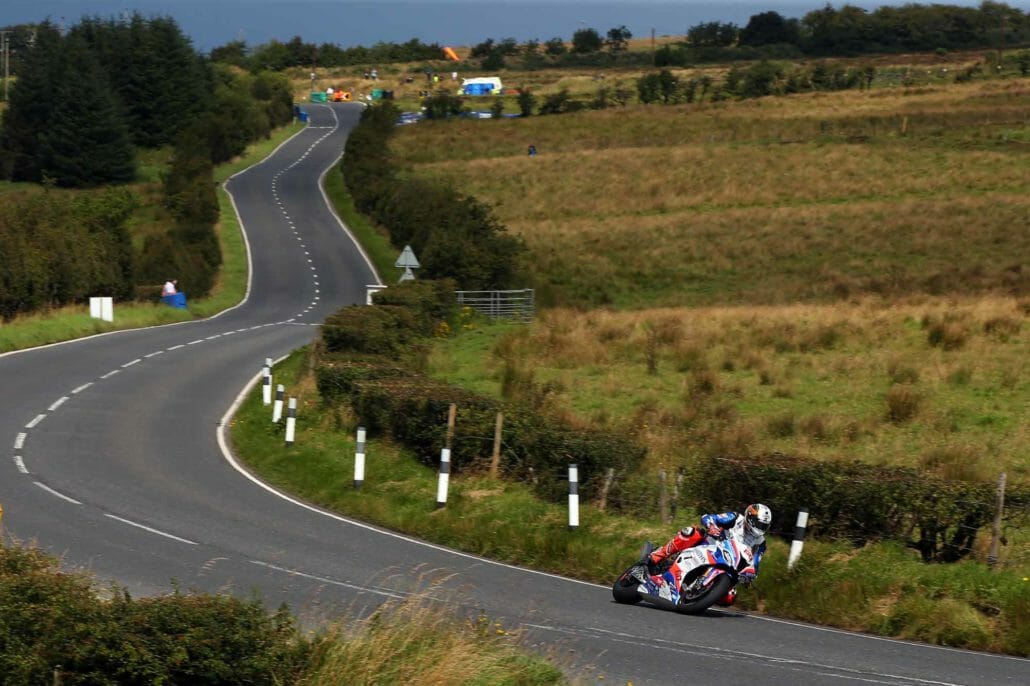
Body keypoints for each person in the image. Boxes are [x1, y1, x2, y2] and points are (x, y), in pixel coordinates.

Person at [647, 503, 772, 606]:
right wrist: (712, 526)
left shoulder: (761, 543)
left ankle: (699, 597)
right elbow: (708, 517)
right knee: (692, 533)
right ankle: (658, 555)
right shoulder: (735, 518)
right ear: (750, 518)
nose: (761, 528)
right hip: (711, 546)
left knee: (730, 598)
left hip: (730, 565)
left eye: (764, 526)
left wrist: (749, 575)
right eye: (759, 524)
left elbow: (755, 563)